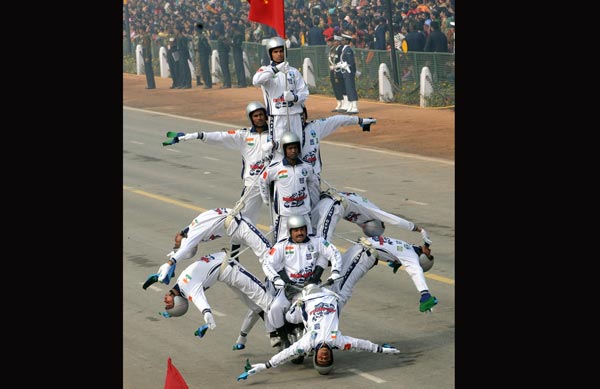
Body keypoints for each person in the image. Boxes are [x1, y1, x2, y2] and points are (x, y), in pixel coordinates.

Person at [161, 102, 275, 257]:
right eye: (256, 116)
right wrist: (197, 135)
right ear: (251, 118)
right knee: (240, 222)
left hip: (275, 183)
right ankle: (234, 258)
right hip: (253, 186)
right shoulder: (244, 135)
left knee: (283, 219)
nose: (260, 118)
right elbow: (221, 136)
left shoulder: (276, 134)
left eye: (262, 114)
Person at [236, 283, 400, 380]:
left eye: (321, 360)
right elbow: (361, 344)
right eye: (326, 359)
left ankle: (288, 328)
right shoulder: (337, 341)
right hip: (329, 293)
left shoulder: (308, 343)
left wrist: (263, 366)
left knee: (288, 316)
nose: (324, 356)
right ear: (330, 356)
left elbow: (287, 354)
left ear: (315, 357)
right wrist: (382, 349)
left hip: (305, 297)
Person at [152, 249, 276, 345]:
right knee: (258, 302)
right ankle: (277, 331)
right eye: (168, 303)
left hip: (226, 265)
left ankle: (277, 329)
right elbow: (202, 305)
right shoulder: (190, 291)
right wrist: (208, 320)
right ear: (178, 303)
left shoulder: (180, 284)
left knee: (261, 298)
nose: (165, 299)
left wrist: (167, 267)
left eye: (167, 303)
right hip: (229, 269)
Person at [260, 215, 343, 350]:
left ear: (306, 229)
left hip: (310, 288)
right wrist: (276, 279)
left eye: (302, 229)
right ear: (290, 232)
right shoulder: (281, 246)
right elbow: (267, 263)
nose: (300, 233)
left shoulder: (317, 242)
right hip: (289, 288)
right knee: (274, 309)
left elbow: (334, 253)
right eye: (296, 230)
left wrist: (335, 272)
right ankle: (284, 338)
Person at [151, 207, 272, 286]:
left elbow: (186, 247)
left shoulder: (193, 231)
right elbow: (186, 247)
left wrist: (170, 263)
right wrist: (176, 254)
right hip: (235, 230)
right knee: (266, 252)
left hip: (240, 224)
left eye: (176, 244)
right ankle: (274, 281)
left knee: (268, 254)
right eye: (176, 245)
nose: (175, 242)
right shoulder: (192, 231)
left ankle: (277, 281)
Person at [323, 236, 437, 312]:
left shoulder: (411, 255)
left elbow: (416, 271)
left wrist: (424, 293)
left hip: (361, 251)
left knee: (337, 287)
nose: (430, 251)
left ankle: (317, 317)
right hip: (362, 254)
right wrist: (425, 293)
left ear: (423, 259)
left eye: (429, 255)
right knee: (342, 292)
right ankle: (326, 321)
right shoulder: (410, 251)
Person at [311, 188, 433, 247]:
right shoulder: (373, 213)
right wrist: (416, 228)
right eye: (365, 226)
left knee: (309, 230)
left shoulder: (364, 219)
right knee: (323, 240)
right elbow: (395, 220)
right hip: (333, 205)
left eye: (363, 228)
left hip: (326, 201)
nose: (362, 226)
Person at [258, 131, 320, 242]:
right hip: (285, 215)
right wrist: (267, 199)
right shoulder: (275, 168)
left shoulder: (306, 167)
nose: (293, 151)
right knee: (282, 244)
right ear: (284, 149)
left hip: (304, 212)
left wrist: (312, 201)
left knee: (309, 241)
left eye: (295, 148)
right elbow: (263, 180)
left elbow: (313, 182)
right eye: (290, 148)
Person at [252, 36, 309, 147]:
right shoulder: (266, 70)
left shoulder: (293, 71)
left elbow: (304, 92)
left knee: (298, 145)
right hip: (277, 115)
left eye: (281, 51)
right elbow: (256, 81)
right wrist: (276, 69)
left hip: (295, 114)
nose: (279, 54)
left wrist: (294, 97)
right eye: (276, 52)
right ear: (270, 54)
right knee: (278, 146)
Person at [297, 106, 376, 181]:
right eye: (297, 114)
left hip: (314, 175)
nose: (301, 117)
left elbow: (337, 120)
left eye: (302, 113)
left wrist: (360, 120)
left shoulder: (314, 126)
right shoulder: (286, 130)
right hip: (295, 176)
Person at [337, 33, 359, 114]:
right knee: (348, 89)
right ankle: (350, 105)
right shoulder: (344, 49)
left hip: (349, 71)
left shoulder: (348, 50)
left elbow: (351, 63)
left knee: (351, 89)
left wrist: (353, 72)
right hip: (345, 72)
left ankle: (355, 106)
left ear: (347, 41)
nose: (342, 41)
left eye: (343, 40)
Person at [328, 35, 347, 112]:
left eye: (336, 41)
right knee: (335, 87)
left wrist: (335, 66)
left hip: (338, 70)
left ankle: (343, 103)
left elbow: (341, 60)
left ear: (339, 42)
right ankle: (339, 103)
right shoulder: (332, 49)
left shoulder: (341, 49)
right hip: (333, 71)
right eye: (334, 41)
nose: (334, 42)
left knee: (340, 87)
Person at [231, 23, 247, 88]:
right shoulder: (234, 34)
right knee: (237, 67)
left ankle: (242, 83)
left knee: (239, 67)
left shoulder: (238, 34)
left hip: (238, 51)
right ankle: (239, 82)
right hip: (235, 51)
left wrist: (230, 43)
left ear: (234, 27)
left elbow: (237, 45)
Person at [141, 25, 156, 89]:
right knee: (147, 70)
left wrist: (146, 56)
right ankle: (150, 84)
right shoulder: (144, 36)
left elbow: (147, 47)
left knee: (148, 70)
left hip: (147, 54)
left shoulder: (146, 36)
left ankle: (151, 85)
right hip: (145, 53)